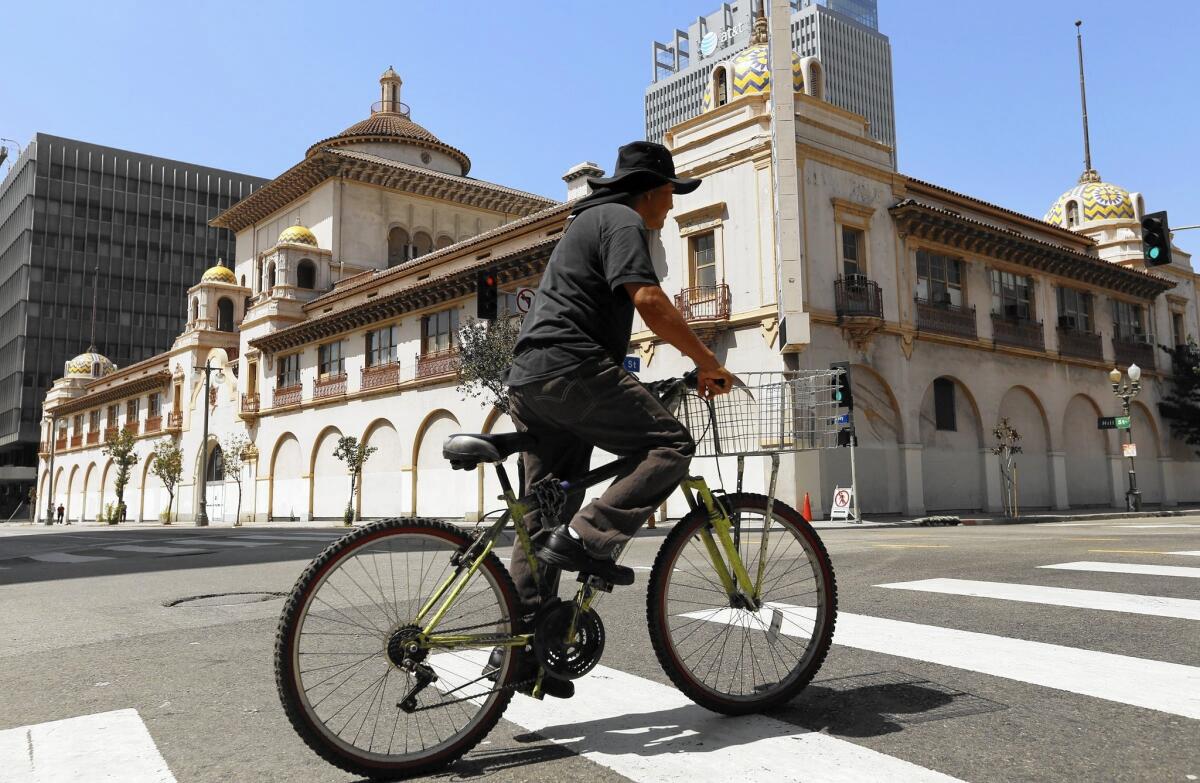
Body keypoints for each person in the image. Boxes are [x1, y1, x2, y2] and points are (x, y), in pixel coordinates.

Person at [493, 141, 735, 698]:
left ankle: (525, 649)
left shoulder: (587, 222)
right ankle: (590, 536)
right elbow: (648, 299)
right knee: (671, 444)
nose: (671, 208)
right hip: (570, 368)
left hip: (531, 378)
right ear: (652, 190)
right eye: (671, 195)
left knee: (543, 508)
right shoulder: (621, 218)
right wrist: (708, 362)